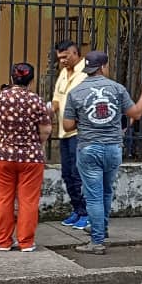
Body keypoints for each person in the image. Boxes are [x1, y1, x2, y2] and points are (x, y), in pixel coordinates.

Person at [62, 51, 142, 254]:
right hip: (113, 148)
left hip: (88, 148)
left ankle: (97, 241)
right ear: (103, 67)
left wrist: (84, 119)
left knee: (93, 196)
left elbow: (67, 125)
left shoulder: (75, 92)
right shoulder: (117, 89)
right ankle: (100, 229)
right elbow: (137, 113)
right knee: (105, 192)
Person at [0, 63, 51, 252]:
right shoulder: (36, 100)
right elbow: (46, 130)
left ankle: (4, 241)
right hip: (31, 158)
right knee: (28, 200)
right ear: (31, 80)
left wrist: (1, 140)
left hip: (3, 156)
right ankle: (26, 242)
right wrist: (36, 143)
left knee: (2, 199)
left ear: (12, 78)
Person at [51, 40, 88, 229]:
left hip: (81, 132)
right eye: (60, 58)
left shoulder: (87, 72)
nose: (63, 61)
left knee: (78, 173)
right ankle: (77, 209)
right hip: (64, 132)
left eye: (66, 56)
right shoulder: (63, 74)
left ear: (75, 53)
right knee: (67, 174)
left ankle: (86, 212)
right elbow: (56, 101)